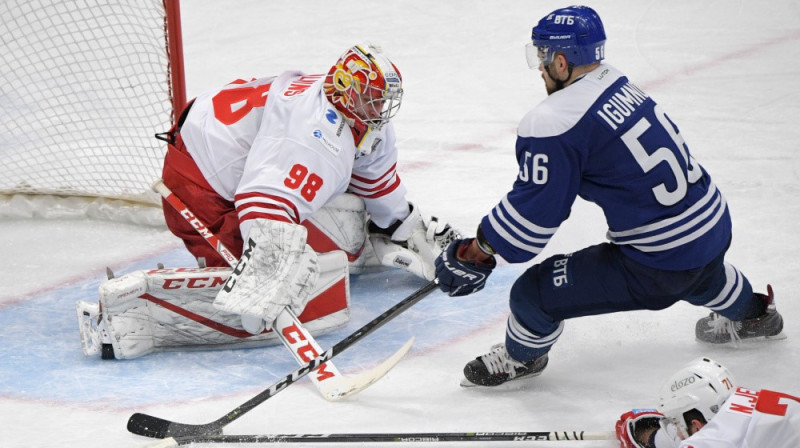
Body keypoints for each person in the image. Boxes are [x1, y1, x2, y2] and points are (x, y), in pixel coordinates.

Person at [434, 5, 785, 387]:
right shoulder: (618, 82)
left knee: (531, 294)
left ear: (562, 61)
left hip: (659, 262)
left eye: (543, 56)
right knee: (701, 274)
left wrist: (479, 250)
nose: (540, 67)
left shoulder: (555, 120)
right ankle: (752, 313)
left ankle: (521, 359)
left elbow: (534, 219)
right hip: (712, 227)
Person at [76, 42, 458, 359]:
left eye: (384, 100)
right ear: (348, 90)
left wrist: (403, 226)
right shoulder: (312, 135)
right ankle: (132, 314)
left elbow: (375, 179)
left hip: (223, 149)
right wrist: (270, 271)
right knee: (293, 293)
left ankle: (367, 242)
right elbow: (263, 202)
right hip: (198, 183)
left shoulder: (356, 116)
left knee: (334, 229)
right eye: (373, 100)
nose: (380, 110)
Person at [615, 357, 800, 448]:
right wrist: (654, 437)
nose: (676, 431)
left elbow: (706, 438)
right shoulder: (744, 398)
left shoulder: (716, 437)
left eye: (676, 423)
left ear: (695, 424)